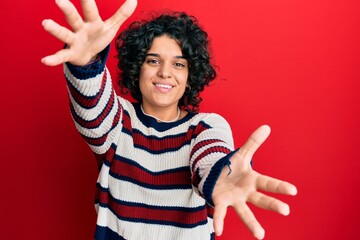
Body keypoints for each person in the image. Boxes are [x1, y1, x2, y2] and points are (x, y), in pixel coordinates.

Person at [42, 0, 297, 239]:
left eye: (178, 64)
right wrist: (87, 61)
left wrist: (222, 176)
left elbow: (210, 160)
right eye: (153, 61)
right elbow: (93, 108)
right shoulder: (118, 120)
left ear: (190, 75)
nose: (165, 73)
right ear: (137, 67)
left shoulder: (206, 127)